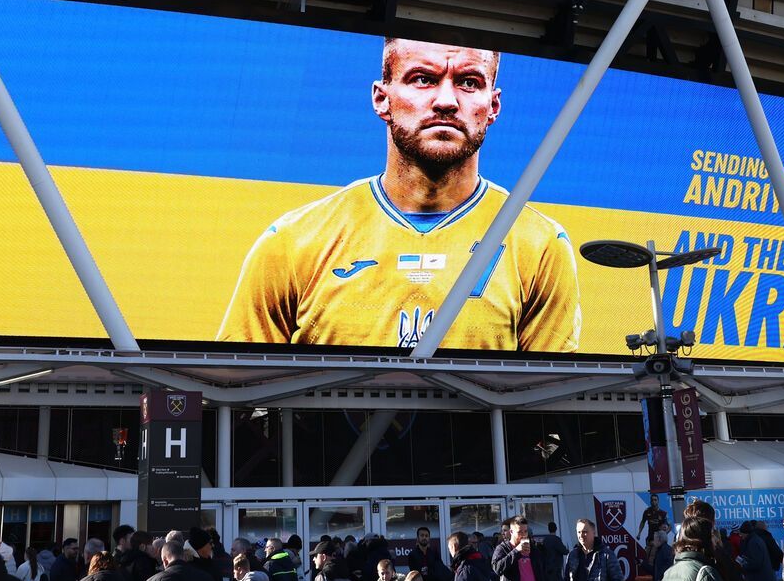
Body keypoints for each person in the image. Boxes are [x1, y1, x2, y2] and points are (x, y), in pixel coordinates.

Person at [215, 37, 582, 352]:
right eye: (423, 79)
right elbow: (236, 400)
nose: (446, 101)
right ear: (381, 98)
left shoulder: (540, 245)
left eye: (469, 83)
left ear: (493, 107)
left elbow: (550, 414)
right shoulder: (293, 241)